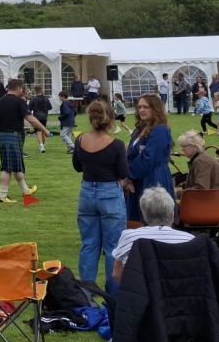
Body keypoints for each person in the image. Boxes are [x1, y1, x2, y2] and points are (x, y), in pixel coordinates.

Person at [72, 99, 128, 289]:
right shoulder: (117, 144)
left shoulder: (80, 140)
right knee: (113, 247)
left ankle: (86, 292)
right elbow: (123, 172)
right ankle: (113, 294)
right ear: (111, 119)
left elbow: (77, 166)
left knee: (89, 244)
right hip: (110, 192)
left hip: (87, 192)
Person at [110, 186, 195, 289]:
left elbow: (117, 274)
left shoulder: (129, 237)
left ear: (144, 216)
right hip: (179, 294)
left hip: (141, 295)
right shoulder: (190, 240)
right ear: (172, 215)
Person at [0, 80, 48, 204]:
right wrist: (44, 129)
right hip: (13, 136)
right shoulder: (19, 101)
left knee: (16, 166)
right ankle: (2, 196)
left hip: (2, 135)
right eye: (22, 88)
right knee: (7, 167)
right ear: (19, 88)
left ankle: (26, 191)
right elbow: (30, 119)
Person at [126, 94, 175, 224]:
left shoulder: (160, 130)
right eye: (139, 107)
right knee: (136, 220)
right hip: (139, 178)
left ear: (155, 109)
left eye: (146, 107)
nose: (141, 110)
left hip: (153, 178)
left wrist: (128, 175)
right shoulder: (140, 129)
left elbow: (149, 158)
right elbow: (130, 154)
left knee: (153, 219)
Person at [29, 85, 52, 153]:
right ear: (41, 90)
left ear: (35, 91)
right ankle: (42, 145)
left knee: (38, 131)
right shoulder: (46, 99)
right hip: (44, 117)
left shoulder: (33, 99)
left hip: (36, 117)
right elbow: (49, 108)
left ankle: (41, 145)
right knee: (43, 131)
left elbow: (29, 109)